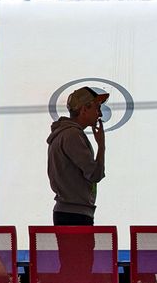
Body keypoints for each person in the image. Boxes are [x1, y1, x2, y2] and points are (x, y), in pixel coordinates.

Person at [47, 86, 109, 225]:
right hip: (75, 214)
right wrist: (101, 146)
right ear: (84, 109)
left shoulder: (63, 133)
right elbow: (94, 174)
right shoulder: (73, 135)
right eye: (97, 108)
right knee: (80, 248)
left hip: (68, 212)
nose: (100, 114)